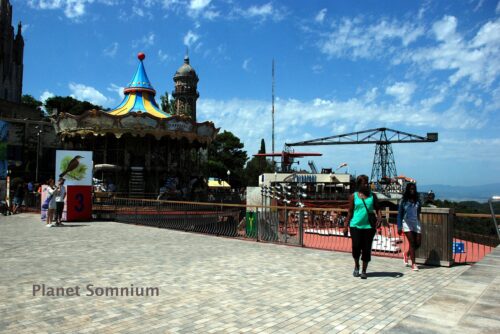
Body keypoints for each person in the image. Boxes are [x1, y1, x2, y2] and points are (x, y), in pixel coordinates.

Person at [344, 175, 381, 279]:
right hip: (355, 225)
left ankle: (364, 270)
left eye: (367, 183)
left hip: (369, 227)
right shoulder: (353, 196)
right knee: (356, 247)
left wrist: (379, 218)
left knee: (366, 249)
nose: (366, 185)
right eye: (364, 183)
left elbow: (378, 209)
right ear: (359, 184)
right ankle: (357, 266)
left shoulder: (372, 196)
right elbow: (350, 212)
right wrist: (346, 225)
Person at [397, 183, 422, 271]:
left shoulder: (418, 200)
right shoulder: (403, 201)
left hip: (416, 222)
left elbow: (419, 211)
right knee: (412, 242)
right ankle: (413, 264)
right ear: (408, 190)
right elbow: (400, 214)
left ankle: (406, 254)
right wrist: (399, 226)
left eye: (414, 189)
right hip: (407, 223)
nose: (412, 190)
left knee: (418, 243)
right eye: (411, 189)